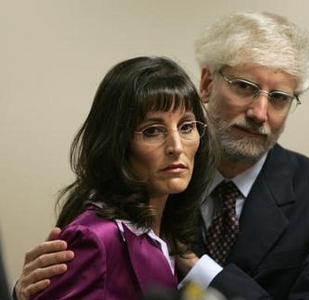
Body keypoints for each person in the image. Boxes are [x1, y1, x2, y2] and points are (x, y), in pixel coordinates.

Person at [14, 11, 309, 300]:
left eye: (279, 98)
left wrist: (196, 266)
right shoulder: (147, 179)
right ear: (207, 84)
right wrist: (26, 292)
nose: (260, 112)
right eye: (245, 87)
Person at [22, 56, 217, 299]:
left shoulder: (165, 233)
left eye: (186, 126)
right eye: (152, 131)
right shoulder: (97, 237)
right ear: (118, 143)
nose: (176, 147)